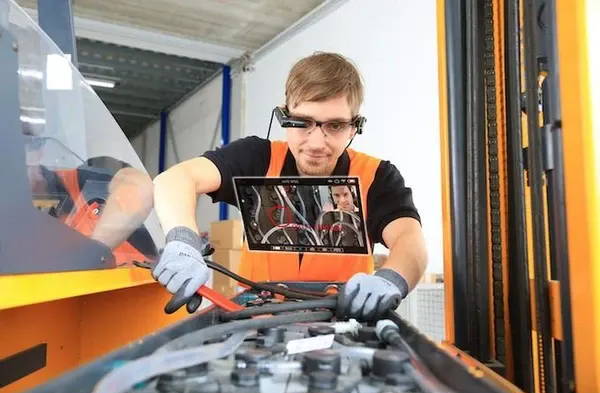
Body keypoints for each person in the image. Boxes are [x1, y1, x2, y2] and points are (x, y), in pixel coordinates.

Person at [152, 52, 428, 321]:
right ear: (283, 116)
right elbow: (175, 179)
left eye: (335, 125)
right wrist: (183, 240)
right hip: (255, 320)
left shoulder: (377, 176)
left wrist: (391, 278)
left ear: (355, 127)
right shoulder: (257, 159)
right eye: (302, 122)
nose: (317, 143)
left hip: (341, 321)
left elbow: (410, 241)